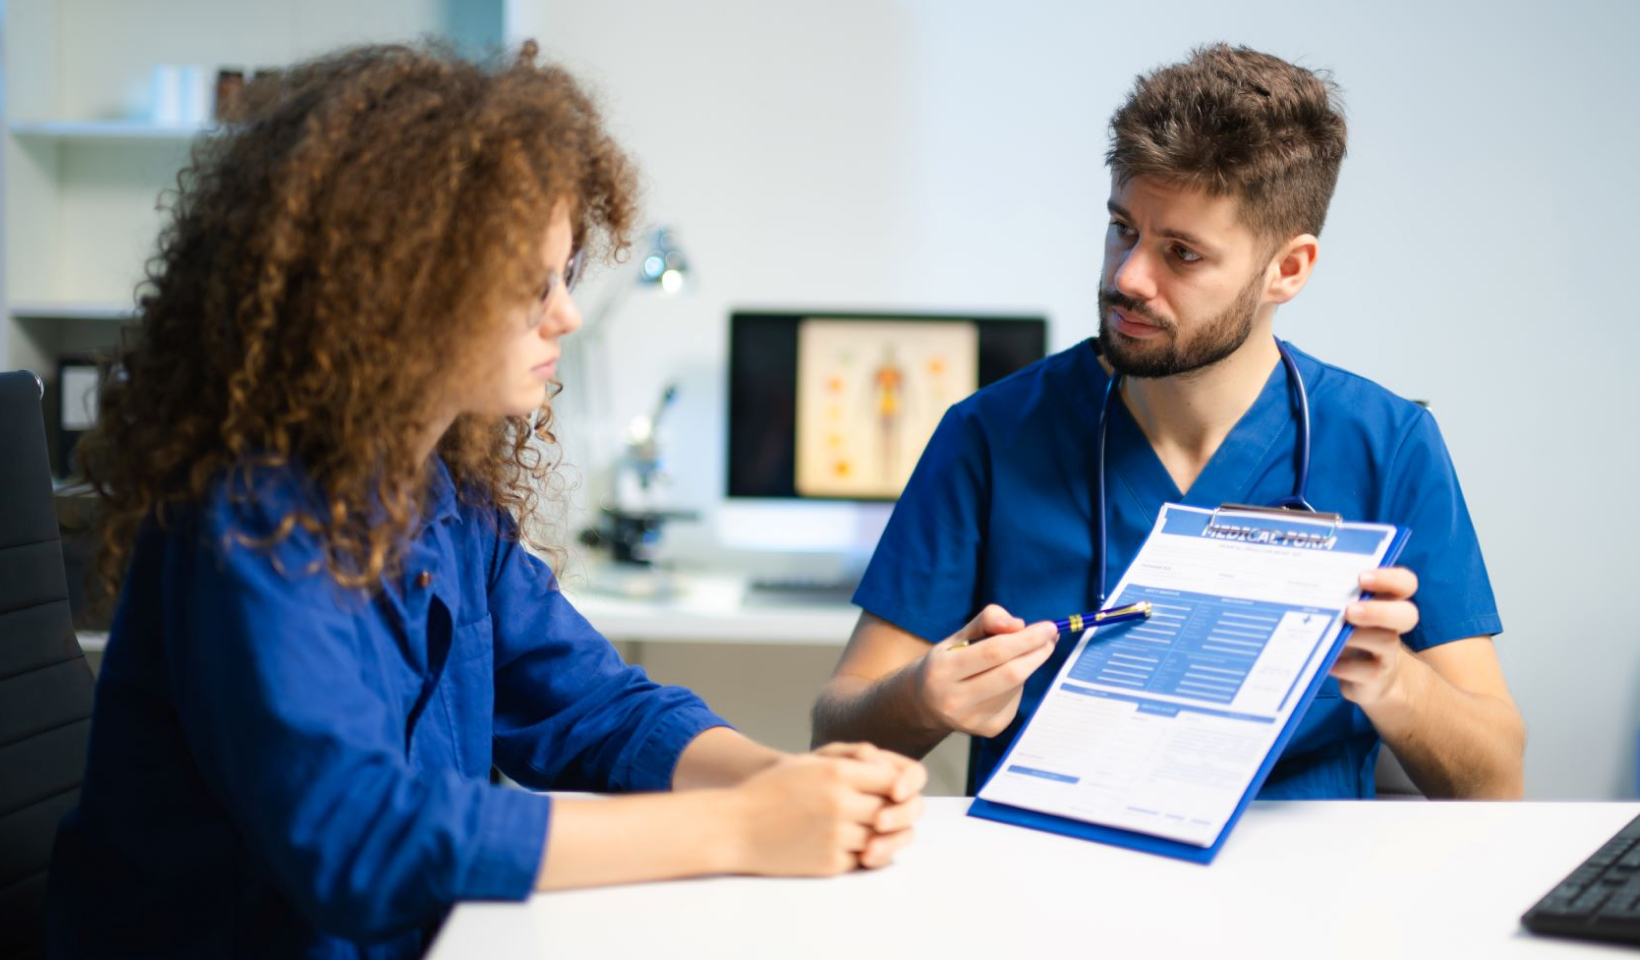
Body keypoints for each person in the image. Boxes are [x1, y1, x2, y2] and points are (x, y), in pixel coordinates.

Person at [48, 42, 924, 959]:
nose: (566, 316)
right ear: (395, 294)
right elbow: (357, 837)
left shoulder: (448, 501)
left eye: (566, 276)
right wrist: (742, 829)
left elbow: (592, 706)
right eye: (528, 286)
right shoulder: (247, 517)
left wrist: (781, 782)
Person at [812, 44, 1524, 801]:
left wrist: (1397, 684)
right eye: (1124, 229)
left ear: (1288, 269)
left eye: (1181, 254)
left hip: (1304, 888)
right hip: (1045, 874)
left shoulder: (1385, 446)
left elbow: (1498, 781)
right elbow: (836, 731)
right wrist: (923, 699)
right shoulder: (991, 435)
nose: (1127, 278)